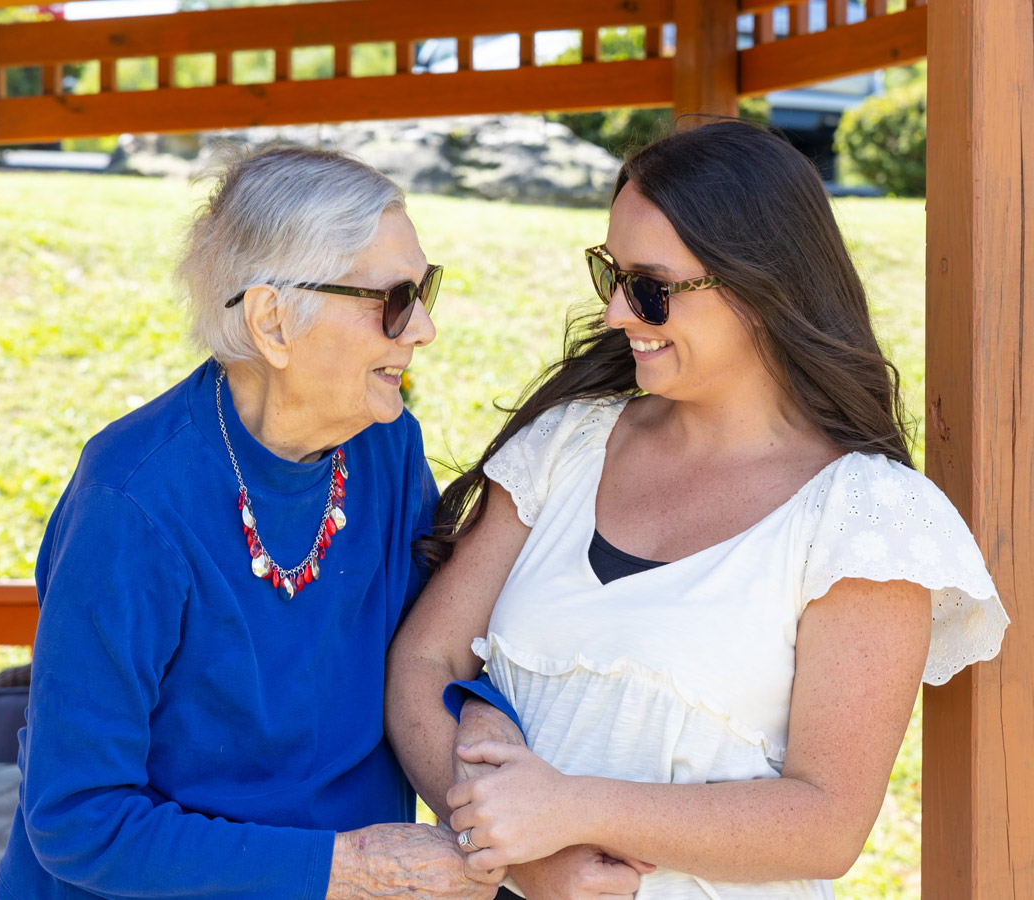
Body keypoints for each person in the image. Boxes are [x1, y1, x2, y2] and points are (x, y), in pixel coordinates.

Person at [384, 120, 1009, 900]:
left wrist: (573, 809)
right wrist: (526, 861)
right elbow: (424, 663)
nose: (616, 313)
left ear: (760, 286)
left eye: (649, 288)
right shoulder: (566, 446)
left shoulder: (867, 519)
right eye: (609, 275)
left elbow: (827, 822)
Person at [0, 147, 501, 900]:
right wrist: (350, 871)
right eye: (393, 299)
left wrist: (490, 730)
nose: (422, 328)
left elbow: (438, 651)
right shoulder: (131, 503)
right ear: (272, 321)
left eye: (424, 290)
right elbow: (79, 820)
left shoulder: (387, 445)